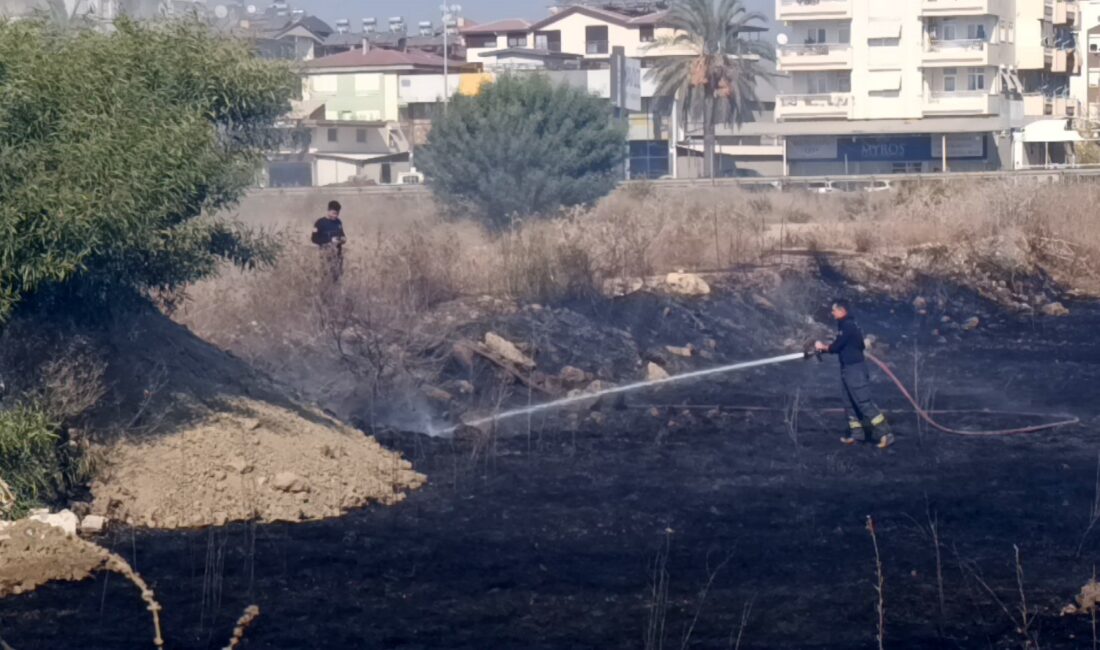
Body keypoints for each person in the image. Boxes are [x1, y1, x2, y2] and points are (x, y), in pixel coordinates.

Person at [815, 299, 895, 449]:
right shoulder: (845, 326)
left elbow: (837, 347)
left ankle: (886, 434)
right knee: (849, 403)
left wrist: (822, 347)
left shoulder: (848, 326)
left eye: (834, 310)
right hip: (847, 369)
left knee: (863, 402)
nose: (832, 313)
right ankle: (857, 435)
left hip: (855, 370)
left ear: (842, 310)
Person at [311, 200, 346, 281]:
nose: (336, 216)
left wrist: (343, 239)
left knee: (338, 278)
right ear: (329, 210)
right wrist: (330, 240)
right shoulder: (319, 223)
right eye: (334, 213)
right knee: (326, 277)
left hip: (338, 256)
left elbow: (342, 234)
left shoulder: (338, 222)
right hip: (326, 256)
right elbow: (314, 239)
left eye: (337, 214)